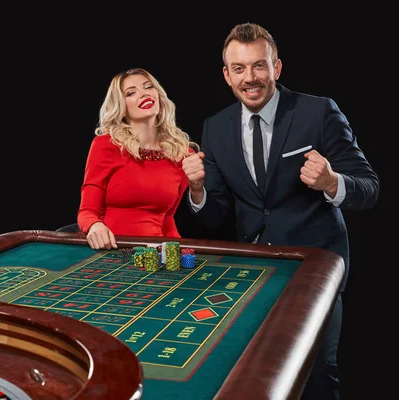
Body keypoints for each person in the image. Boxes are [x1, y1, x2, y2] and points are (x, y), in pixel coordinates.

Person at [182, 23, 379, 399]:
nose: (250, 78)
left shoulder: (318, 111)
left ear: (277, 68)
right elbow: (215, 214)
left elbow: (369, 187)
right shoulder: (215, 127)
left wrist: (332, 181)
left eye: (259, 66)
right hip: (251, 275)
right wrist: (197, 190)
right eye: (239, 69)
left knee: (318, 376)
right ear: (227, 75)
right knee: (256, 381)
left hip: (314, 269)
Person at [77, 68, 198, 250]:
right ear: (122, 107)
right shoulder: (106, 145)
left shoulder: (181, 153)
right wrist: (94, 225)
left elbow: (167, 218)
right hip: (111, 251)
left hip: (153, 253)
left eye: (148, 87)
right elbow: (87, 212)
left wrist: (182, 250)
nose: (144, 94)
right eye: (131, 93)